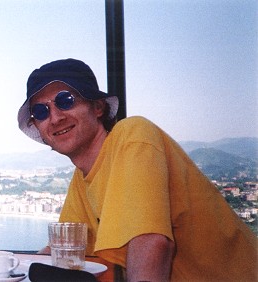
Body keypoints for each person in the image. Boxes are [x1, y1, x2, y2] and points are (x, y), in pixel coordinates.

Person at [17, 58, 257, 281]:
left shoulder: (132, 136)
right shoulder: (82, 180)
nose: (55, 117)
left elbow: (151, 241)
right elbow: (62, 255)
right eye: (41, 111)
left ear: (98, 107)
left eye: (65, 101)